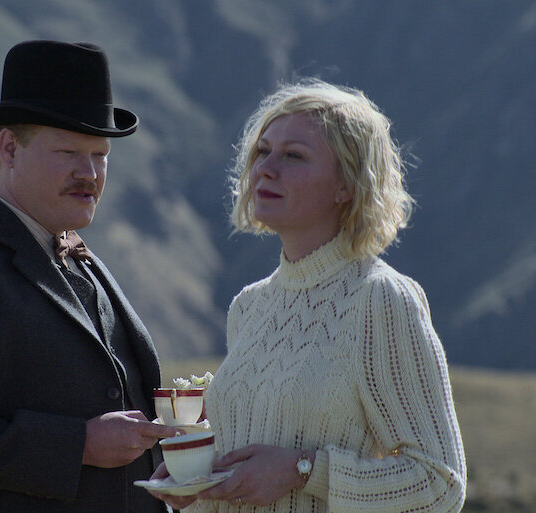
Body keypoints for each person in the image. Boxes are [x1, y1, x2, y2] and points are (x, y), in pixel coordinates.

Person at [150, 80, 466, 512]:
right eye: (262, 151)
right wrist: (197, 485)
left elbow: (440, 485)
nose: (265, 168)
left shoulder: (380, 299)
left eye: (293, 156)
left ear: (347, 185)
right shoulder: (249, 306)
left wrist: (304, 471)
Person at [0, 40, 180, 513]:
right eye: (68, 151)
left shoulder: (85, 263)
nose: (89, 173)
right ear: (9, 148)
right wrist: (80, 444)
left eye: (100, 154)